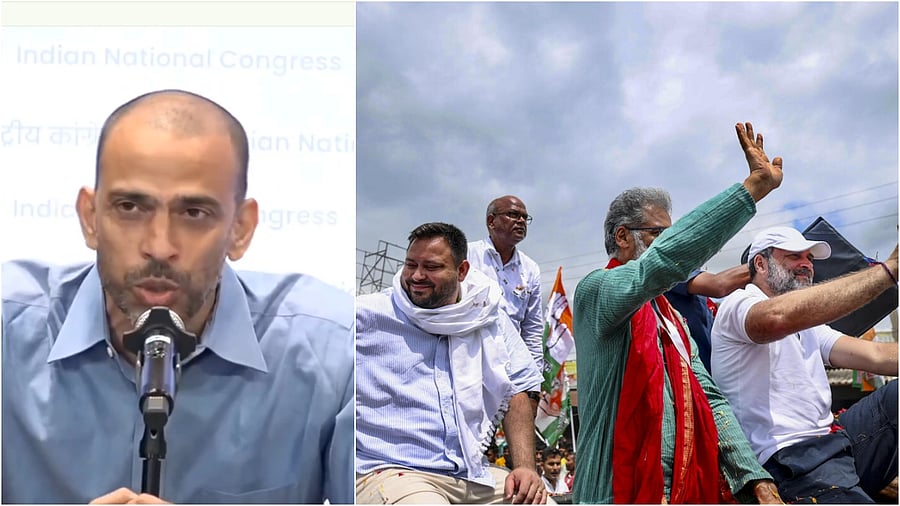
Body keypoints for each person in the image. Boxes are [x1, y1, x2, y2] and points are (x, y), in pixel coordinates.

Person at [1, 89, 355, 504]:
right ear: (90, 218)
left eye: (194, 213)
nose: (159, 246)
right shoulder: (9, 331)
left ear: (240, 229)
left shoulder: (336, 351)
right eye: (130, 207)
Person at [571, 122, 783, 504]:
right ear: (622, 236)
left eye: (671, 235)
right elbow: (661, 265)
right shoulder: (597, 292)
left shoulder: (672, 319)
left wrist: (756, 480)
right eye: (659, 234)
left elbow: (711, 399)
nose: (670, 244)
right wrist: (751, 190)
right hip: (616, 493)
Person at [355, 222, 547, 504]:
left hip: (470, 474)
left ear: (462, 271)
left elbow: (517, 389)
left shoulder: (486, 315)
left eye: (431, 267)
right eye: (410, 264)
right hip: (390, 470)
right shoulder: (366, 314)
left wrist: (525, 468)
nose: (416, 276)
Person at [711, 225, 899, 503]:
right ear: (760, 264)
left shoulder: (809, 326)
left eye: (809, 258)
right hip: (787, 463)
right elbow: (775, 319)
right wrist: (890, 269)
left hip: (834, 446)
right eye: (794, 256)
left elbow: (876, 355)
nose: (806, 264)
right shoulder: (739, 303)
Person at [468, 196, 543, 371]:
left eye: (525, 217)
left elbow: (532, 329)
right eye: (513, 214)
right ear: (491, 221)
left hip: (511, 367)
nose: (521, 221)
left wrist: (534, 377)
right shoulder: (467, 255)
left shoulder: (530, 269)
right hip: (470, 362)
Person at [664, 264, 751, 372]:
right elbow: (718, 285)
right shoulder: (669, 267)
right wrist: (758, 264)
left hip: (708, 366)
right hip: (691, 369)